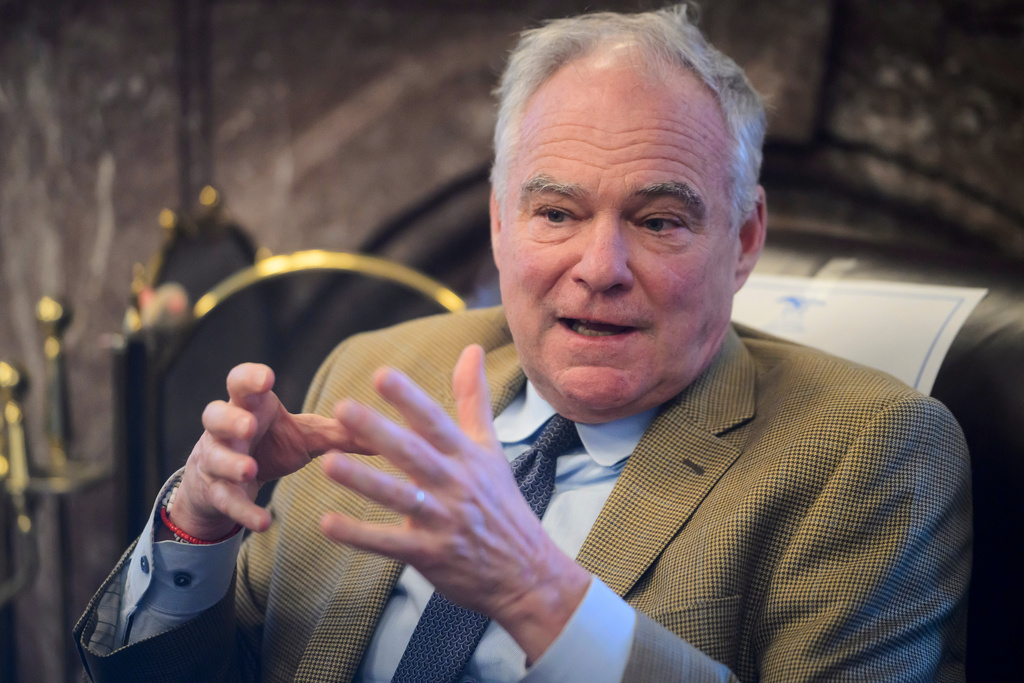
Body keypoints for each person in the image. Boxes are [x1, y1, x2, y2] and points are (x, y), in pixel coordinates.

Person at [76, 4, 971, 682]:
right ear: (501, 225)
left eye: (659, 221)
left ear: (742, 239)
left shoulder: (869, 454)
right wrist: (195, 529)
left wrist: (538, 590)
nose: (600, 268)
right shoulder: (379, 372)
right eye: (556, 213)